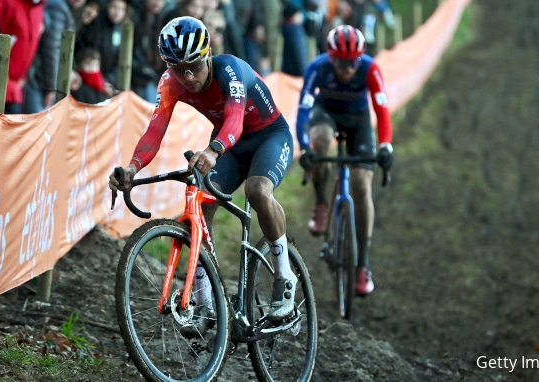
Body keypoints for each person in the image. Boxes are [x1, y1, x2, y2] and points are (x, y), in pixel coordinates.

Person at [108, 16, 297, 337]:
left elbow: (235, 118)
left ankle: (285, 277)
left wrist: (213, 150)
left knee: (258, 190)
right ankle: (205, 304)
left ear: (208, 54)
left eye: (194, 65)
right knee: (196, 200)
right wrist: (132, 167)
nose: (189, 76)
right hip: (229, 146)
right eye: (179, 69)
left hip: (268, 136)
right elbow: (154, 132)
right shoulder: (170, 83)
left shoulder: (231, 70)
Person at [296, 25, 393, 295]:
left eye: (353, 62)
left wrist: (386, 145)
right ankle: (321, 203)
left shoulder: (370, 69)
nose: (348, 69)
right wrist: (305, 148)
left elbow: (382, 111)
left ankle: (362, 265)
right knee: (321, 140)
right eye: (342, 62)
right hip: (325, 114)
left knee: (362, 187)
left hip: (358, 121)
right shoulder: (318, 68)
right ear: (330, 56)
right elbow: (303, 111)